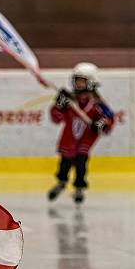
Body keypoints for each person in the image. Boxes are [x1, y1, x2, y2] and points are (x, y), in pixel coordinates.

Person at [47, 62, 115, 204]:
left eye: (82, 81)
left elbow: (109, 119)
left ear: (91, 82)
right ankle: (61, 182)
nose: (78, 84)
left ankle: (79, 187)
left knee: (81, 165)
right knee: (64, 164)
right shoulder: (69, 101)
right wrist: (58, 106)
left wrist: (101, 125)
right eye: (76, 80)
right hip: (69, 140)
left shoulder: (97, 104)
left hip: (85, 141)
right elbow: (55, 118)